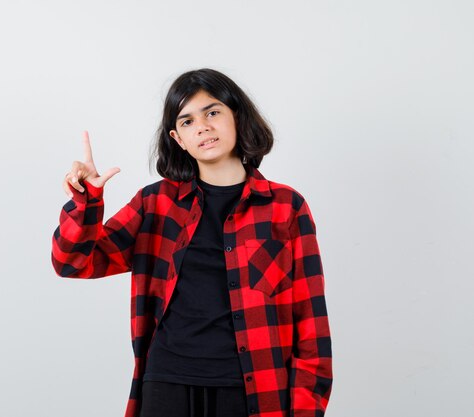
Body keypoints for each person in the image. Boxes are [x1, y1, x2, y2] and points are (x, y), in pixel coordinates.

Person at [51, 68, 333, 417]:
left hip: (252, 390)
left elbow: (311, 324)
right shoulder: (155, 203)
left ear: (237, 118)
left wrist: (306, 411)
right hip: (167, 386)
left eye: (212, 112)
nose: (202, 126)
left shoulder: (286, 207)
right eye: (186, 121)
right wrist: (86, 202)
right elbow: (73, 263)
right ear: (178, 139)